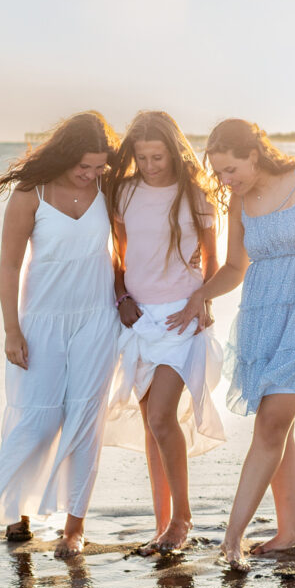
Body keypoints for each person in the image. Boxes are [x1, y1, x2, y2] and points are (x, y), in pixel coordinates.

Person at [172, 119, 295, 572]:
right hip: (263, 318)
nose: (225, 180)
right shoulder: (239, 203)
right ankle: (289, 533)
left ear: (254, 154)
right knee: (278, 426)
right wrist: (199, 294)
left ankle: (232, 537)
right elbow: (236, 267)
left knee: (273, 422)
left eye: (230, 169)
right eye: (218, 173)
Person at [0, 111, 120, 558]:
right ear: (64, 156)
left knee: (85, 421)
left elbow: (127, 244)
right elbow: (8, 265)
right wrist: (11, 328)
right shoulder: (31, 193)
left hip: (98, 317)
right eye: (83, 166)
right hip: (42, 320)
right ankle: (16, 510)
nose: (90, 175)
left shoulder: (108, 187)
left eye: (98, 167)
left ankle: (74, 528)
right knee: (38, 419)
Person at [103, 111, 225, 555]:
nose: (150, 165)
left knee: (160, 417)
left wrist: (204, 301)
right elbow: (118, 255)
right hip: (137, 321)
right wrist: (121, 297)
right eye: (142, 157)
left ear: (173, 152)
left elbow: (214, 261)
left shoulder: (195, 195)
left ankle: (182, 518)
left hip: (181, 318)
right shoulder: (124, 192)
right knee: (155, 428)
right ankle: (162, 527)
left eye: (158, 156)